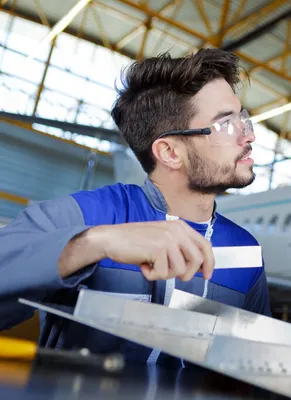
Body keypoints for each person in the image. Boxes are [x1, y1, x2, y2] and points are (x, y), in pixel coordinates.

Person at [0, 48, 271, 365]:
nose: (248, 135)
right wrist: (94, 243)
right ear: (170, 152)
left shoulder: (246, 252)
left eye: (243, 118)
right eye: (226, 124)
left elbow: (252, 363)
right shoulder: (86, 216)